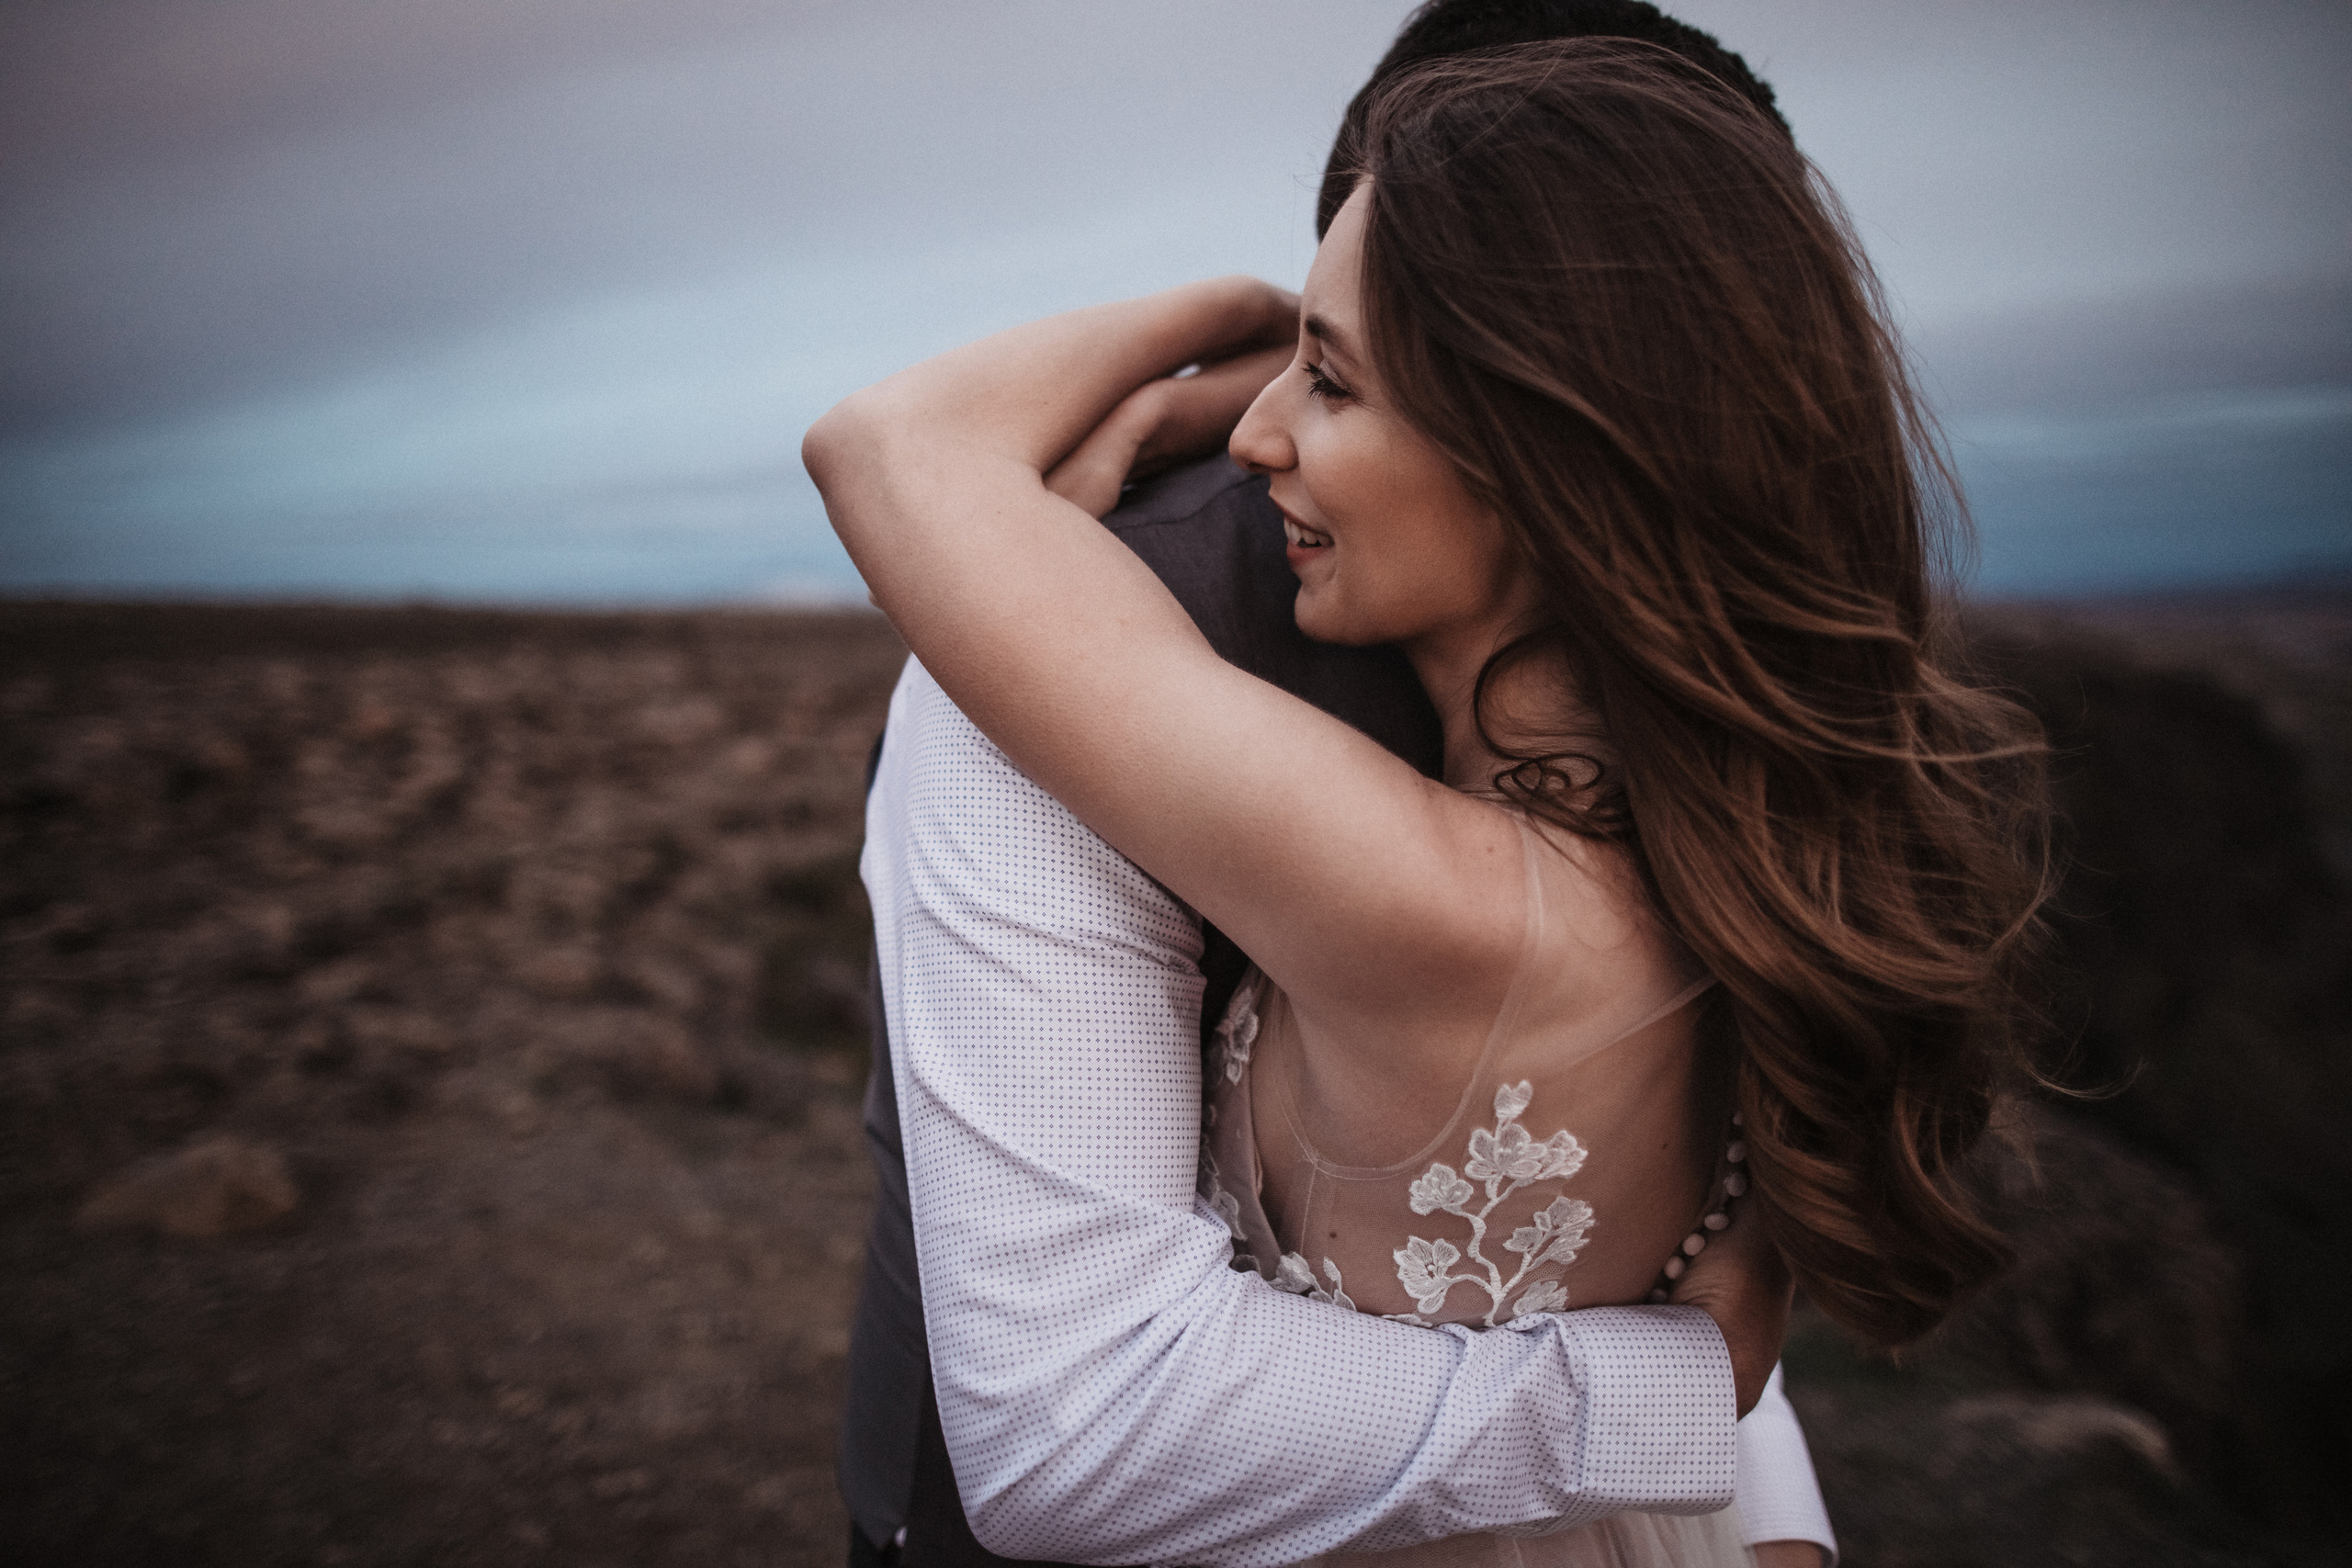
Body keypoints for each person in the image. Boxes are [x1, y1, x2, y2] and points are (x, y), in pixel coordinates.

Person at [833, 6, 2012, 1565]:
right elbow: (1640, 1252)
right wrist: (1715, 1458)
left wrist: (1231, 325)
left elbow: (887, 443)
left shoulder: (1349, 831)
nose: (1262, 434)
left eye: (1332, 378)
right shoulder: (1780, 803)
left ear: (1554, 438)